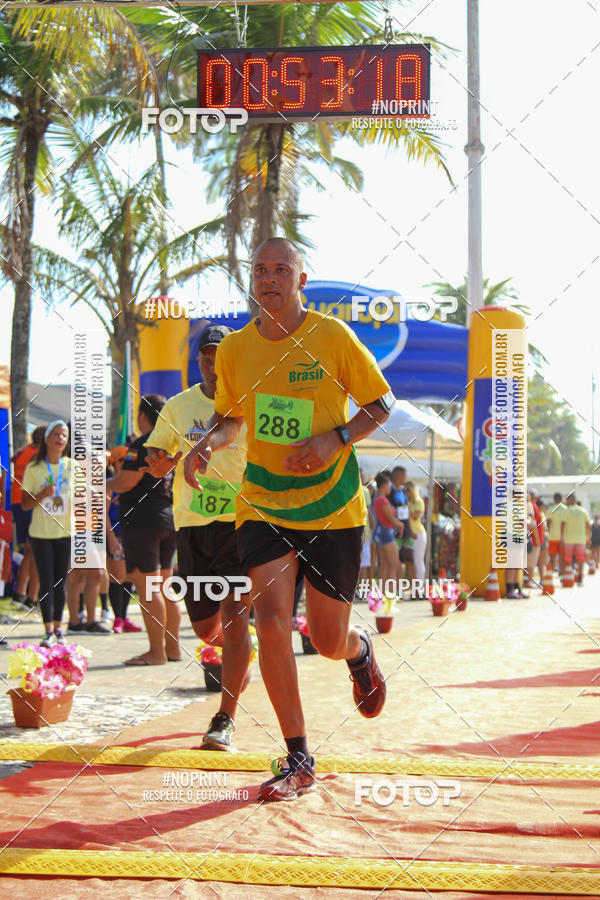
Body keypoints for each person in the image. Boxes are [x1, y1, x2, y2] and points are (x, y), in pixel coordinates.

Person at [184, 237, 393, 802]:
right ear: (251, 280)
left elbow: (380, 403)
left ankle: (359, 651)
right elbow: (231, 419)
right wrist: (208, 442)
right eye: (260, 269)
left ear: (301, 280)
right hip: (263, 503)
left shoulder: (332, 338)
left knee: (326, 641)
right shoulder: (233, 351)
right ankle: (299, 756)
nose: (269, 277)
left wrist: (338, 437)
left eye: (282, 269)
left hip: (332, 507)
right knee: (270, 620)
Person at [143, 324, 252, 750]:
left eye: (219, 357)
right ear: (198, 362)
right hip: (191, 526)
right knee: (207, 630)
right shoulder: (178, 405)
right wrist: (157, 462)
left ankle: (224, 717)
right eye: (206, 357)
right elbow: (160, 454)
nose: (212, 364)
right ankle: (241, 656)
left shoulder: (249, 400)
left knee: (235, 614)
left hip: (241, 523)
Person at [106, 395, 180, 665]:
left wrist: (106, 485)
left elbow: (126, 482)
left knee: (149, 587)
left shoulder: (143, 443)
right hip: (167, 518)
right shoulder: (171, 442)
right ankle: (172, 649)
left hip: (142, 522)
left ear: (142, 417)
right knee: (165, 586)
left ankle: (156, 652)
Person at [20, 421, 72, 646]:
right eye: (56, 434)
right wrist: (41, 494)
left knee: (60, 582)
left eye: (64, 436)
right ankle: (47, 630)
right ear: (47, 438)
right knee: (46, 580)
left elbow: (81, 498)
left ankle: (59, 628)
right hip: (41, 534)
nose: (60, 439)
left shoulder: (72, 467)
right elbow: (24, 504)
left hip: (65, 532)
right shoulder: (34, 467)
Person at [10, 425, 44, 611]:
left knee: (29, 551)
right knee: (37, 551)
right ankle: (32, 597)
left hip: (17, 502)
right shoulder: (39, 455)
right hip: (29, 502)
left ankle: (20, 593)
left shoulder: (21, 452)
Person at [106, 446, 139, 633]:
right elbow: (103, 513)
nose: (127, 463)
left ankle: (124, 616)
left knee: (129, 577)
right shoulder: (111, 484)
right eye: (123, 460)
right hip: (116, 535)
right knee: (117, 576)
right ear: (115, 463)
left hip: (132, 534)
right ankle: (117, 617)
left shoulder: (133, 482)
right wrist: (111, 538)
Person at [372, 472, 402, 591]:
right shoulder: (382, 500)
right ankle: (390, 593)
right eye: (389, 485)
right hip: (386, 533)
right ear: (384, 485)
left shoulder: (376, 498)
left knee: (384, 565)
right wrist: (401, 525)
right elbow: (391, 519)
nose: (391, 487)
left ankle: (382, 592)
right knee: (394, 564)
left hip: (380, 533)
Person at [561, 493, 591, 586]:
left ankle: (568, 577)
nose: (566, 501)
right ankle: (580, 579)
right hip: (581, 539)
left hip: (569, 539)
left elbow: (563, 525)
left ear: (571, 500)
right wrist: (588, 538)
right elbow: (588, 526)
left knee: (567, 559)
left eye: (567, 499)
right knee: (580, 559)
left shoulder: (566, 511)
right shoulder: (583, 511)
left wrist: (562, 537)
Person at [405, 481, 426, 583]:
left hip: (418, 534)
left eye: (407, 490)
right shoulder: (406, 501)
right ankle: (413, 586)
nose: (406, 492)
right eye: (404, 490)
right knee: (409, 562)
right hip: (408, 535)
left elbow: (415, 516)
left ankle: (420, 587)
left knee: (418, 560)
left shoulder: (419, 501)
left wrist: (405, 509)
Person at [547, 492, 567, 574]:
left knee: (552, 556)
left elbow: (548, 523)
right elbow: (565, 523)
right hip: (563, 538)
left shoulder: (551, 509)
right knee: (562, 557)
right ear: (562, 499)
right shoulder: (566, 509)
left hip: (552, 536)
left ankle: (551, 574)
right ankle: (562, 574)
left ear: (554, 499)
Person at [536, 499, 549, 584]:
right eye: (544, 506)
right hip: (543, 539)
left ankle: (542, 578)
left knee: (542, 561)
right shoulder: (541, 514)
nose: (545, 508)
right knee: (542, 561)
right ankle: (542, 579)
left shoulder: (542, 514)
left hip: (543, 538)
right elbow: (543, 528)